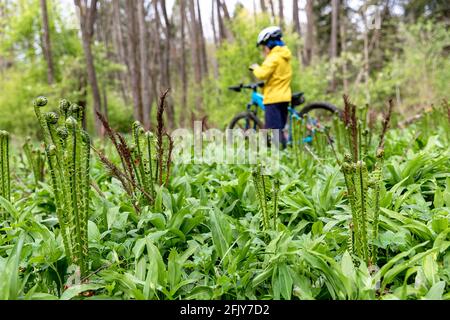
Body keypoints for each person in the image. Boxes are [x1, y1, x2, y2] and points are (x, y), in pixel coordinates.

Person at [249, 26, 292, 149]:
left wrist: (255, 67)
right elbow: (277, 76)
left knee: (274, 130)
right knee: (279, 128)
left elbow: (262, 74)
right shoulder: (284, 56)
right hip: (284, 97)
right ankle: (285, 153)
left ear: (269, 44)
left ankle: (280, 158)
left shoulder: (274, 56)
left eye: (264, 46)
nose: (264, 50)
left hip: (273, 99)